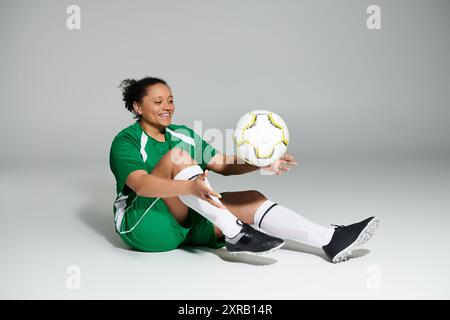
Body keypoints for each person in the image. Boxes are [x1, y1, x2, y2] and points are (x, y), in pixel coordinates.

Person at [109, 76, 379, 263]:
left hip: (184, 221)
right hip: (145, 227)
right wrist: (188, 187)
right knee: (177, 158)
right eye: (158, 102)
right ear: (137, 107)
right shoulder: (126, 141)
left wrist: (261, 161)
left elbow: (222, 164)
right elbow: (142, 185)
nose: (167, 107)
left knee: (251, 198)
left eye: (170, 100)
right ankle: (236, 233)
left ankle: (330, 240)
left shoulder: (184, 133)